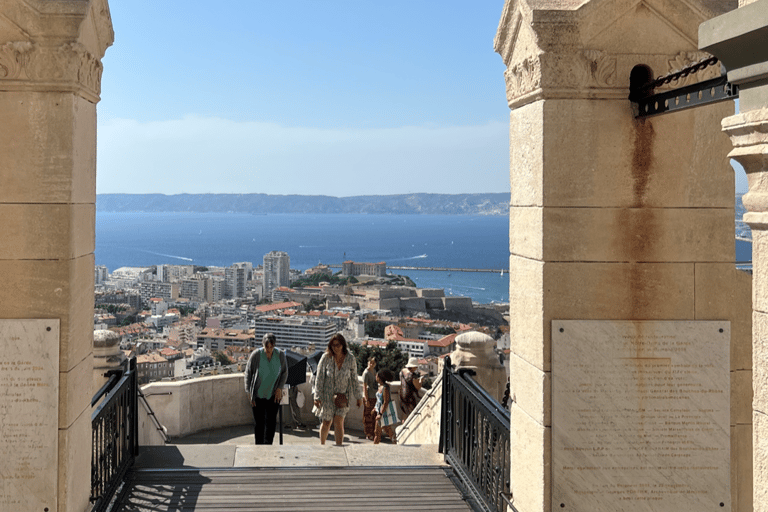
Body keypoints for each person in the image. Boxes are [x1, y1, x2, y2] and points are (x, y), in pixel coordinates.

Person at [312, 333, 362, 445]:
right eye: (333, 345)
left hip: (343, 395)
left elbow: (354, 378)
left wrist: (359, 397)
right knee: (326, 422)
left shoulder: (350, 359)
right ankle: (322, 445)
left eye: (338, 345)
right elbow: (319, 378)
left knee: (339, 421)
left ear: (343, 345)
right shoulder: (326, 357)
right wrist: (317, 396)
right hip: (327, 395)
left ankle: (339, 446)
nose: (335, 348)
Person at [244, 333, 288, 444]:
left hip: (273, 394)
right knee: (259, 423)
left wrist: (279, 387)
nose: (268, 350)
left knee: (271, 422)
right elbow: (248, 373)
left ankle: (269, 445)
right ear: (263, 345)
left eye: (271, 347)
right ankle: (259, 445)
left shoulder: (280, 355)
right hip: (258, 394)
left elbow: (284, 373)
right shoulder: (256, 355)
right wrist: (248, 391)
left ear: (274, 346)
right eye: (266, 347)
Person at [372, 368, 398, 444]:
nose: (375, 376)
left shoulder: (385, 388)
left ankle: (395, 442)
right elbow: (379, 400)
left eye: (376, 375)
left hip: (384, 413)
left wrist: (380, 414)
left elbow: (386, 402)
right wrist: (375, 408)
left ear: (380, 377)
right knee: (378, 431)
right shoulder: (380, 386)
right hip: (380, 412)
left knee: (386, 430)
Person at [361, 357, 378, 440]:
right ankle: (368, 433)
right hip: (369, 397)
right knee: (367, 416)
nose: (371, 364)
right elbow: (364, 387)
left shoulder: (373, 371)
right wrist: (366, 399)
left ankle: (373, 432)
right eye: (370, 362)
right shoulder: (366, 373)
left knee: (374, 416)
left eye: (373, 363)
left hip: (374, 396)